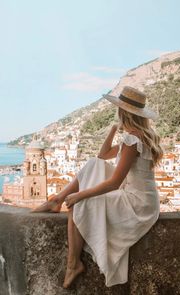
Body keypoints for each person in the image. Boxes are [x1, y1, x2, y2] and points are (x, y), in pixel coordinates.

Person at [31, 86, 163, 289]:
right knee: (94, 163)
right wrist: (113, 129)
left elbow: (114, 183)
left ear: (123, 113)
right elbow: (102, 156)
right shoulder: (138, 137)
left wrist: (79, 195)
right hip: (142, 198)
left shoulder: (132, 140)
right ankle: (57, 200)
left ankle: (73, 264)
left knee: (78, 206)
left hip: (138, 203)